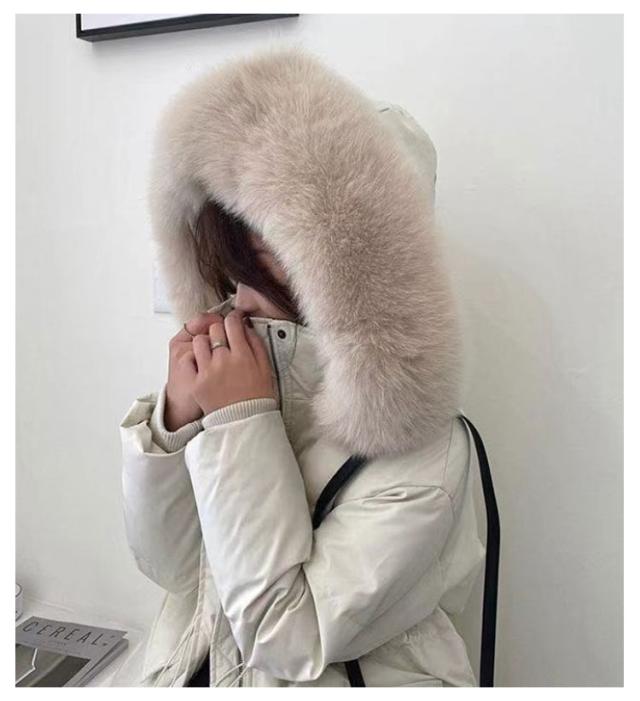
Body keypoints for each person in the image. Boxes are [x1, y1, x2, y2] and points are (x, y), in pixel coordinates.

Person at [116, 46, 486, 687]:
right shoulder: (236, 376)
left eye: (274, 259)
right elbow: (171, 570)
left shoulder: (425, 456)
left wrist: (238, 422)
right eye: (231, 261)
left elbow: (286, 639)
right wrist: (173, 426)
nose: (239, 301)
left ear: (358, 266)